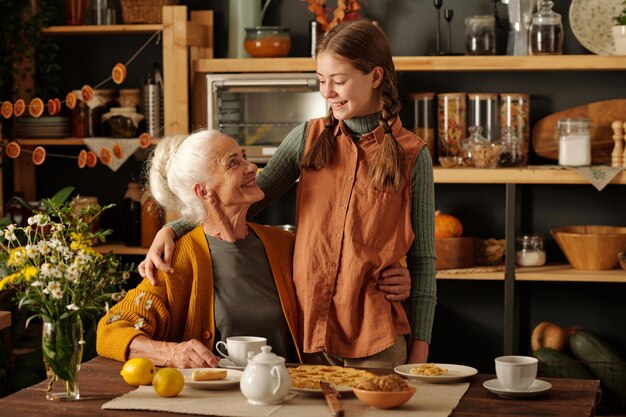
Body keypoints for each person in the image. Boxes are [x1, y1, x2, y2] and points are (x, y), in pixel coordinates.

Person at [140, 19, 436, 368]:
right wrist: (172, 229)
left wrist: (420, 353)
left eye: (339, 82)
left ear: (375, 77)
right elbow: (243, 201)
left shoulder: (413, 157)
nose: (327, 93)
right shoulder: (307, 139)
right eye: (322, 81)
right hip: (306, 337)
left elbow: (423, 263)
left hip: (378, 342)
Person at [96, 130, 302, 368]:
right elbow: (111, 329)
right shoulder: (176, 259)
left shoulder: (283, 245)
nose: (252, 167)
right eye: (233, 162)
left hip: (285, 393)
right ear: (203, 191)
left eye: (244, 157)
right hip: (214, 400)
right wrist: (171, 354)